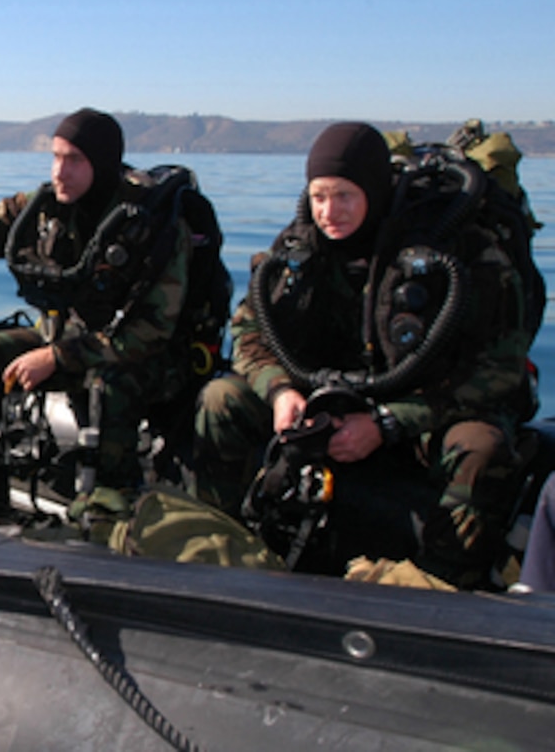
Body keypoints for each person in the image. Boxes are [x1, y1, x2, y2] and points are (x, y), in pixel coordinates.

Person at [194, 121, 534, 588]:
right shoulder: (296, 250)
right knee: (221, 398)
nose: (329, 212)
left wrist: (389, 423)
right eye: (318, 197)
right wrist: (278, 391)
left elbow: (499, 371)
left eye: (344, 196)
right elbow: (250, 332)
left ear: (373, 189)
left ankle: (443, 584)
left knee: (480, 447)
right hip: (319, 404)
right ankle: (219, 546)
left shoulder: (458, 254)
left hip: (419, 411)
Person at [0, 108, 218, 510]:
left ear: (101, 163)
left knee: (110, 382)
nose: (59, 171)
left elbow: (150, 333)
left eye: (74, 160)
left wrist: (58, 356)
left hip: (149, 357)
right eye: (55, 157)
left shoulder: (150, 226)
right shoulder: (47, 207)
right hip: (67, 339)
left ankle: (109, 500)